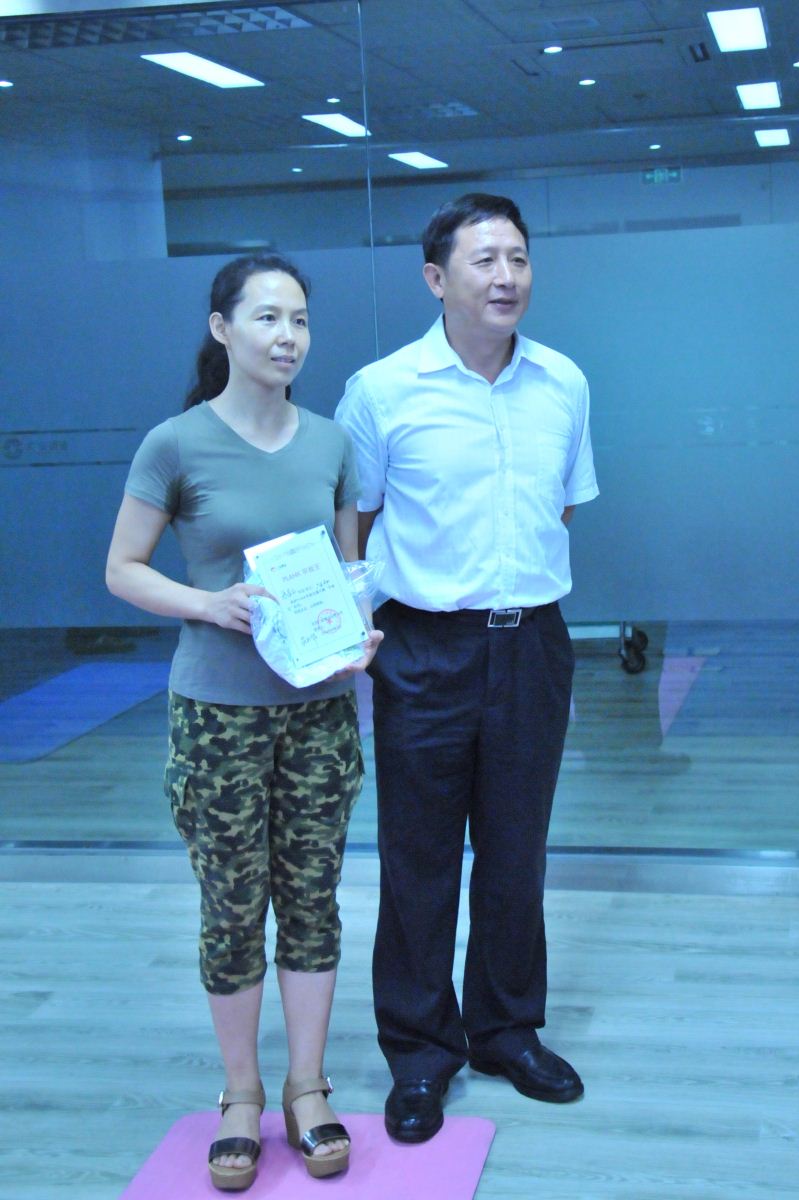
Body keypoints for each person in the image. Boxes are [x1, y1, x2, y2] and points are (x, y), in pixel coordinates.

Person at [106, 253, 381, 1191]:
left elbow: (345, 572)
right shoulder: (174, 443)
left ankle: (307, 1086)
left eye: (298, 319)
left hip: (318, 713)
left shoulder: (330, 442)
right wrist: (206, 603)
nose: (287, 336)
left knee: (312, 900)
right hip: (217, 714)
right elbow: (123, 569)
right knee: (231, 907)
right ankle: (241, 1095)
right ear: (222, 328)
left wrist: (357, 632)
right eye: (266, 317)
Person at [335, 193, 598, 1143]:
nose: (506, 277)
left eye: (518, 258)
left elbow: (561, 506)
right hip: (422, 646)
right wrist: (361, 629)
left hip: (531, 643)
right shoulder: (382, 390)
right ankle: (419, 1053)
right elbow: (354, 521)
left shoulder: (562, 382)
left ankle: (505, 1031)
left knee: (517, 852)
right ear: (435, 278)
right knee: (418, 858)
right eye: (484, 260)